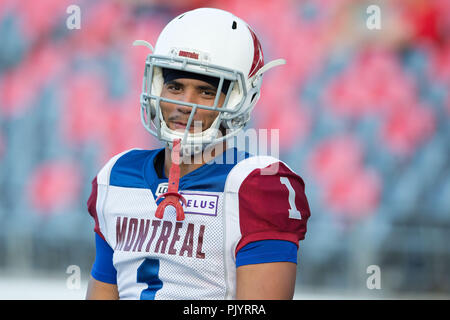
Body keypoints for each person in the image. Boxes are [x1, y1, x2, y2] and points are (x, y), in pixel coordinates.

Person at [85, 7, 311, 300]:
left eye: (205, 91)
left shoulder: (255, 184)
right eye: (175, 86)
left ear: (239, 99)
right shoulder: (116, 176)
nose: (185, 104)